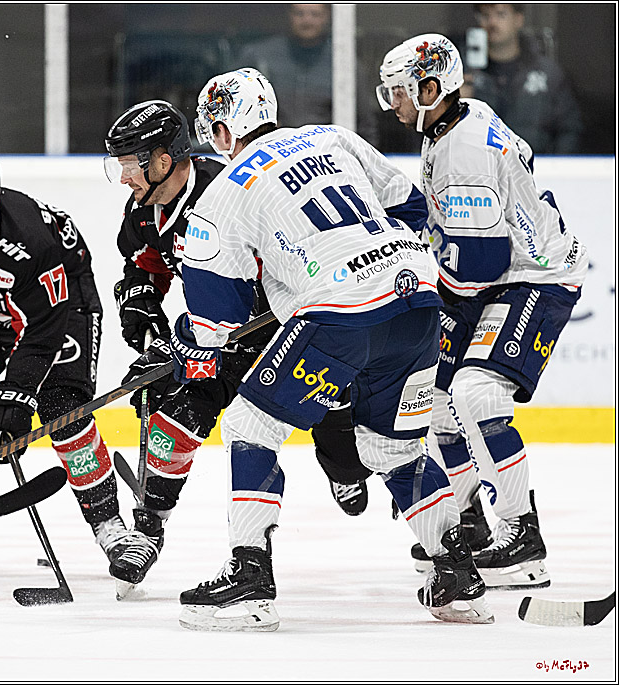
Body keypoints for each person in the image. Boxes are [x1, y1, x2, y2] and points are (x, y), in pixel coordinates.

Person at [171, 67, 493, 631]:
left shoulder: (222, 195)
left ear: (222, 130)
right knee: (392, 449)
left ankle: (249, 576)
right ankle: (455, 572)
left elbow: (215, 325)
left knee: (250, 425)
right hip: (417, 299)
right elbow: (413, 209)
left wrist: (188, 347)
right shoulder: (332, 137)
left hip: (340, 315)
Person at [104, 98, 371, 582]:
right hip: (219, 334)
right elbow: (144, 264)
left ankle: (346, 469)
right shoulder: (143, 211)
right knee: (175, 414)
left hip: (283, 324)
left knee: (335, 420)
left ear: (163, 160)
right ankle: (148, 528)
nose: (124, 177)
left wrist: (178, 347)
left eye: (129, 165)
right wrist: (142, 304)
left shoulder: (225, 193)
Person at [377, 34, 587, 589]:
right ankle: (469, 522)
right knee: (440, 397)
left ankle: (522, 536)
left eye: (399, 91)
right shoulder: (460, 118)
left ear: (430, 88)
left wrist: (413, 278)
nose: (392, 102)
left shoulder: (460, 152)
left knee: (476, 393)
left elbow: (479, 264)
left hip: (534, 276)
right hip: (500, 275)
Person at [0, 140, 158, 585]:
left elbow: (43, 329)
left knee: (61, 409)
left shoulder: (29, 239)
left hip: (60, 306)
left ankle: (111, 527)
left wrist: (12, 401)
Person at [465, 4, 582, 154]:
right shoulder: (464, 76)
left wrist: (555, 167)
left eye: (501, 14)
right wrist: (456, 105)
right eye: (486, 16)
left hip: (538, 168)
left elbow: (569, 129)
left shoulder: (548, 74)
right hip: (481, 169)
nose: (492, 23)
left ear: (518, 19)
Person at [236, 4, 332, 128]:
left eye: (315, 14)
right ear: (289, 15)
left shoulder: (342, 62)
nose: (307, 21)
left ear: (327, 17)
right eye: (300, 13)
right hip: (269, 142)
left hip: (324, 143)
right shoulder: (259, 56)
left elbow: (363, 122)